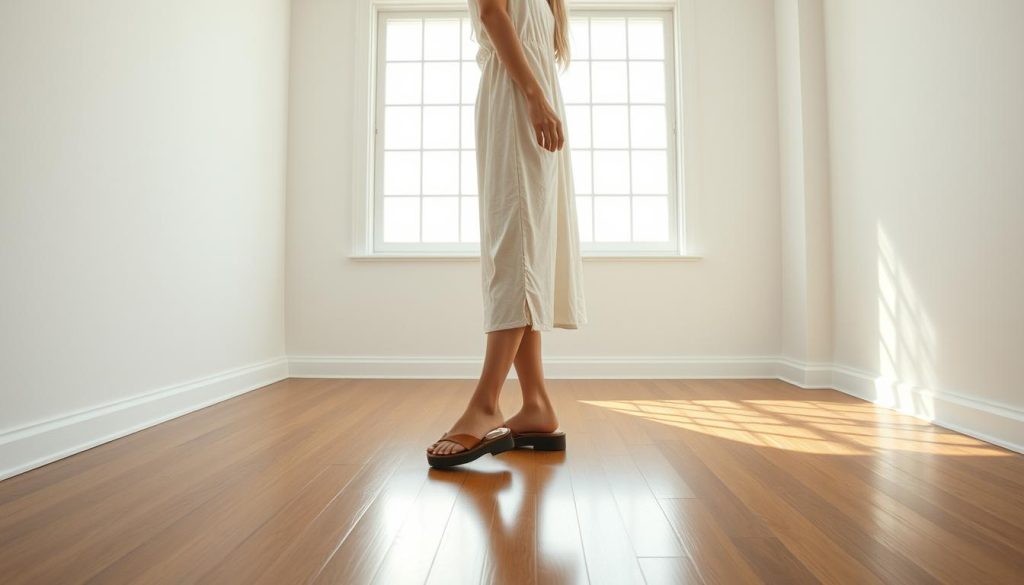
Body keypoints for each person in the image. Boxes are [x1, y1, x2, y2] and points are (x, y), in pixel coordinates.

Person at [426, 0, 587, 467]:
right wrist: (536, 96)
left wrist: (539, 98)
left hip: (534, 101)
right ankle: (493, 401)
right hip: (521, 98)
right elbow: (492, 13)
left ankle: (529, 402)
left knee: (524, 254)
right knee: (515, 250)